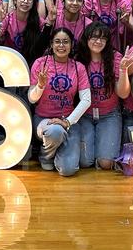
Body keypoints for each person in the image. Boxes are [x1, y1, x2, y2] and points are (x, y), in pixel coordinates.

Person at [28, 28, 91, 176]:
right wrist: (40, 86)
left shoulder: (78, 67)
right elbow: (32, 98)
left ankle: (58, 149)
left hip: (68, 121)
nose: (61, 45)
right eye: (57, 41)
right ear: (51, 44)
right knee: (55, 131)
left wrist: (68, 122)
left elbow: (86, 100)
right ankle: (46, 155)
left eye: (65, 42)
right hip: (44, 120)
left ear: (71, 45)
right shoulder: (40, 63)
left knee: (68, 170)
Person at [75, 22, 130, 169]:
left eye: (103, 38)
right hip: (84, 115)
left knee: (106, 163)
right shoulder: (78, 58)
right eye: (94, 37)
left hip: (109, 114)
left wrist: (124, 70)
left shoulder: (115, 57)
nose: (98, 41)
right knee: (85, 162)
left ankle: (102, 149)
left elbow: (123, 93)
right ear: (86, 39)